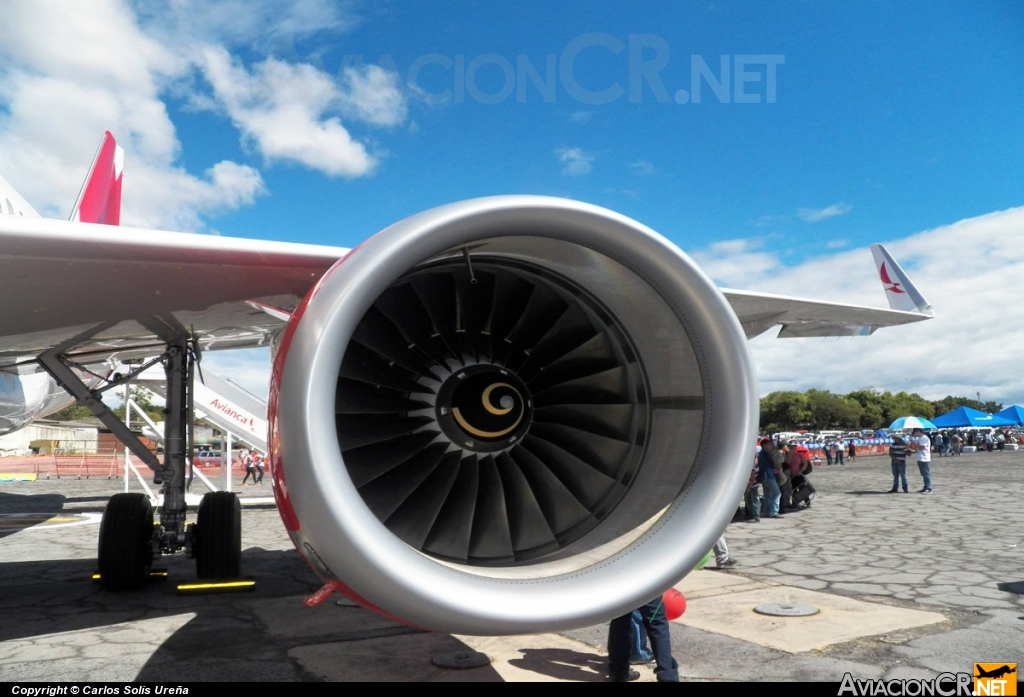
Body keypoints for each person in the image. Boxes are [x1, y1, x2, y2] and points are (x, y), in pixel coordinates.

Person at [608, 597, 679, 682]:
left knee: (620, 621)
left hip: (622, 587)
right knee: (657, 623)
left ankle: (618, 673)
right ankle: (667, 676)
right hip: (647, 587)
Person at [757, 439, 782, 518]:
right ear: (764, 445)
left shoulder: (761, 453)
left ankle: (766, 511)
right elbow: (772, 464)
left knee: (768, 494)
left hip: (765, 475)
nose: (771, 446)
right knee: (777, 493)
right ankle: (773, 511)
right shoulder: (766, 454)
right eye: (769, 444)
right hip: (768, 475)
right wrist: (773, 458)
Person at [908, 427, 932, 493]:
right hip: (920, 458)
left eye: (915, 433)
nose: (915, 435)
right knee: (923, 474)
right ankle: (926, 487)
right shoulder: (920, 438)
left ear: (918, 431)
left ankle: (928, 488)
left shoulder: (924, 438)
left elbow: (921, 447)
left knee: (926, 474)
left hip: (924, 458)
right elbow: (918, 448)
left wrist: (913, 442)